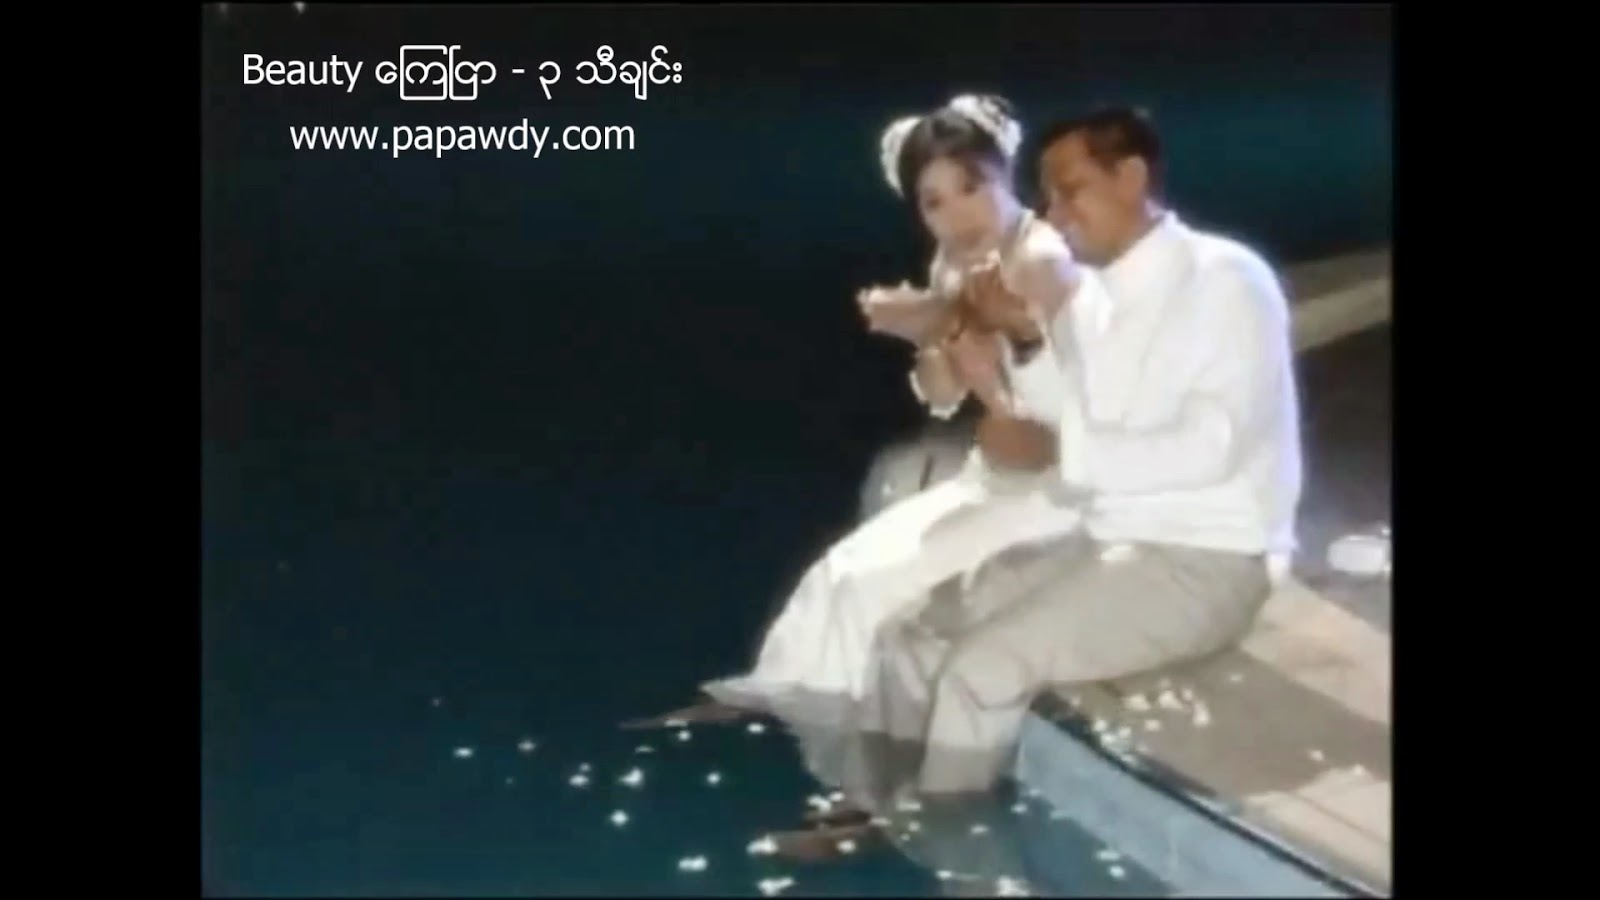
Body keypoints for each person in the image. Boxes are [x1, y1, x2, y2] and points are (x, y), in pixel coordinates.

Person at [793, 105, 1305, 849]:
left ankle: (951, 843)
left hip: (1209, 561)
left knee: (982, 668)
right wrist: (1023, 340)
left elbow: (1208, 448)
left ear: (1131, 177)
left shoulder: (1226, 280)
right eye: (1050, 197)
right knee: (914, 630)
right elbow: (1058, 414)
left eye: (1071, 192)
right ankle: (877, 802)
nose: (1056, 215)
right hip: (1105, 537)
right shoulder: (1091, 293)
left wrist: (1061, 448)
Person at [624, 94, 1087, 734]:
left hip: (1072, 484)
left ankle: (850, 728)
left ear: (1007, 173)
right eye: (934, 202)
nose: (957, 214)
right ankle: (782, 696)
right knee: (840, 574)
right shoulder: (954, 263)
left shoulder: (1042, 261)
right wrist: (927, 334)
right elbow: (944, 394)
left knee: (881, 584)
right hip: (1011, 473)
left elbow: (1081, 400)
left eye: (971, 187)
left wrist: (956, 329)